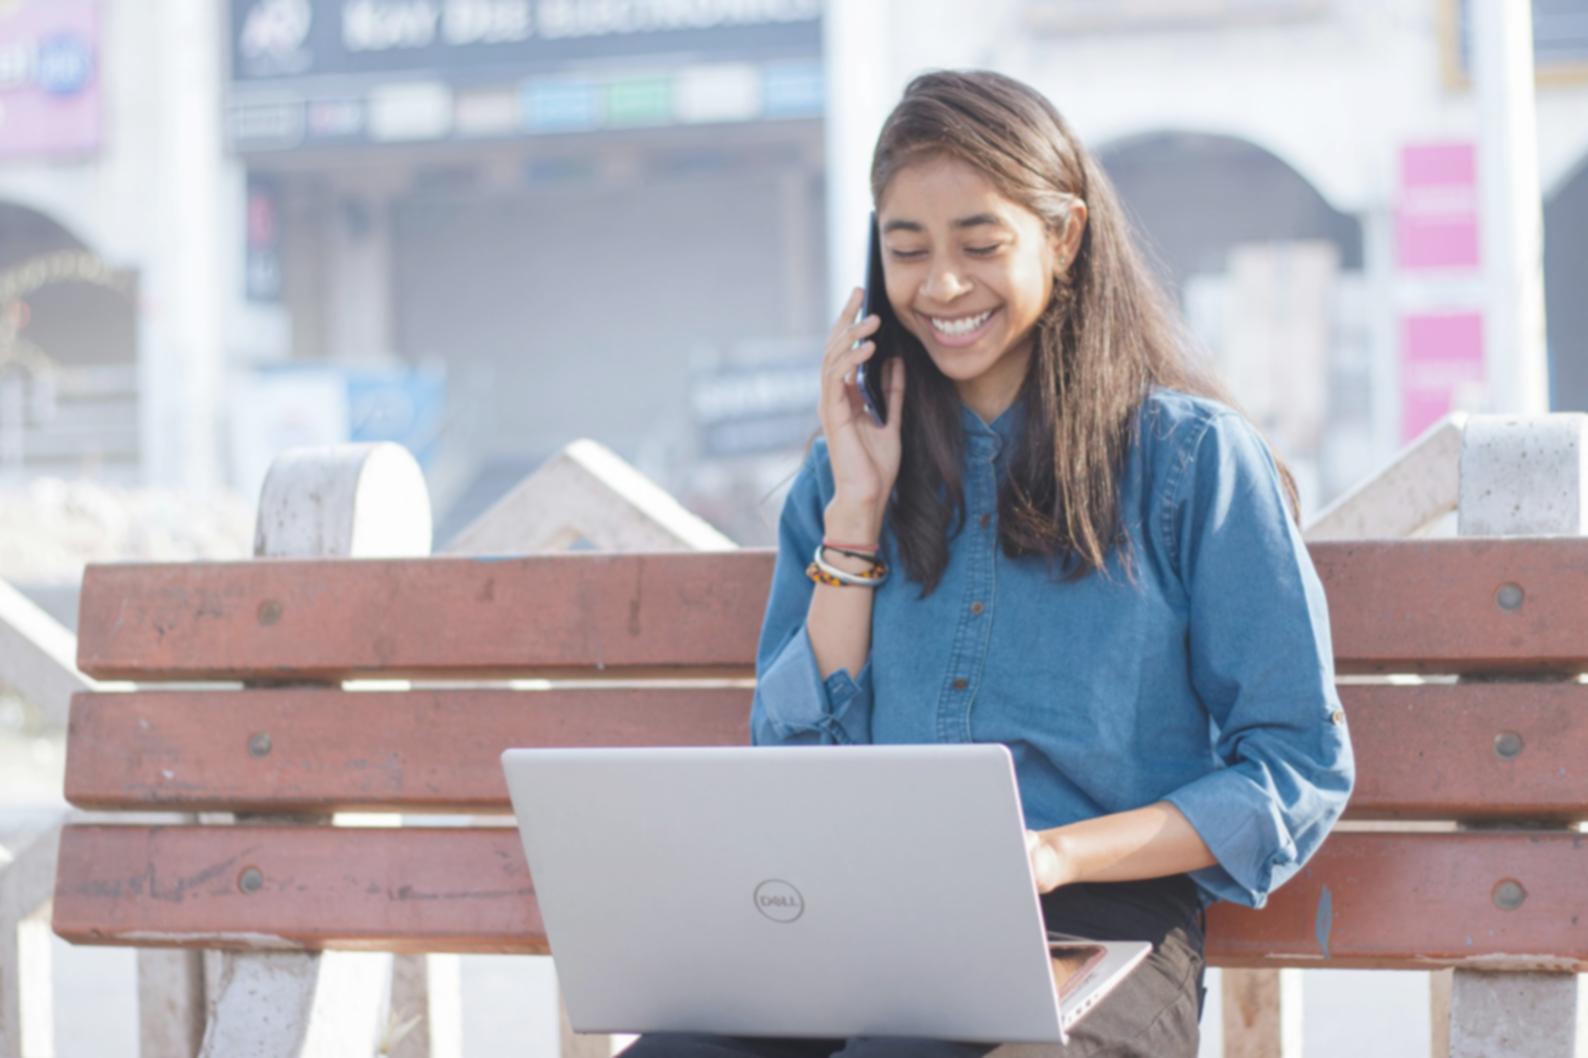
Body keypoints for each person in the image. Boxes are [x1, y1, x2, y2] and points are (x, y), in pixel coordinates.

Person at [625, 69, 1355, 1058]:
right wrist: (855, 513)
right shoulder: (843, 476)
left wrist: (1049, 854)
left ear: (1063, 236)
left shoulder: (1189, 461)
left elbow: (1295, 762)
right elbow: (796, 769)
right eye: (907, 249)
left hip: (1104, 928)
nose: (940, 285)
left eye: (981, 243)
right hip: (871, 922)